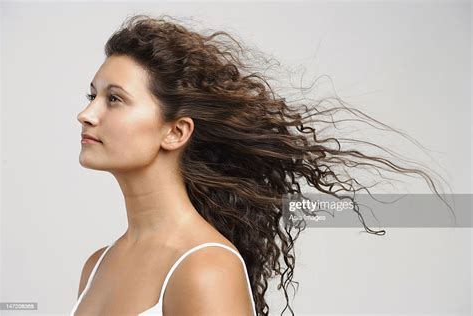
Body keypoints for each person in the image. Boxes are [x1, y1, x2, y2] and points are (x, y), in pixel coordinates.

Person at [71, 14, 450, 316]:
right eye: (93, 95)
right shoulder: (97, 266)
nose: (86, 114)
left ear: (175, 132)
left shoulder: (204, 269)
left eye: (115, 99)